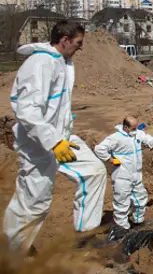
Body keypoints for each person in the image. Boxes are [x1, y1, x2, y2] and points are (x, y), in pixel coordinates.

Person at [4, 21, 107, 253]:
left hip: (62, 140)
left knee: (95, 172)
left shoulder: (62, 63)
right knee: (33, 203)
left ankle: (85, 236)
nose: (80, 48)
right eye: (78, 43)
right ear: (64, 40)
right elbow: (28, 110)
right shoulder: (40, 64)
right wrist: (53, 142)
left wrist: (60, 139)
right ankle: (11, 255)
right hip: (38, 147)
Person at [94, 117, 153, 235]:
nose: (135, 130)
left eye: (136, 128)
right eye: (133, 128)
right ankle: (122, 229)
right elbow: (99, 149)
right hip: (122, 176)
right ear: (125, 127)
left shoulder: (137, 134)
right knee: (122, 203)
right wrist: (111, 160)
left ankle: (138, 221)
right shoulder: (115, 138)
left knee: (141, 197)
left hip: (136, 175)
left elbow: (150, 140)